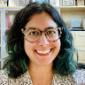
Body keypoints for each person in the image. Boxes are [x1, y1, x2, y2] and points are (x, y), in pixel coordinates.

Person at [0, 2, 85, 85]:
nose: (43, 43)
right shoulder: (3, 80)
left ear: (61, 37)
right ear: (21, 39)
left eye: (51, 32)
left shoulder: (79, 80)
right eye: (33, 33)